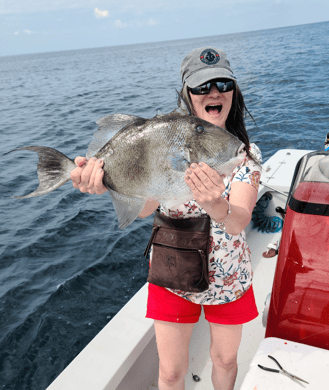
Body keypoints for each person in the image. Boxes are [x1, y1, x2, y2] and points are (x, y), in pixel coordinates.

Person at [70, 47, 262, 390]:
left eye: (223, 83)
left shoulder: (243, 153)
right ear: (187, 94)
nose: (214, 92)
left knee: (226, 360)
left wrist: (215, 204)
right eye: (202, 87)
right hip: (173, 269)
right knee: (171, 373)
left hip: (229, 275)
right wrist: (105, 184)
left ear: (234, 91)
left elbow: (239, 220)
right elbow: (145, 209)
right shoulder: (164, 140)